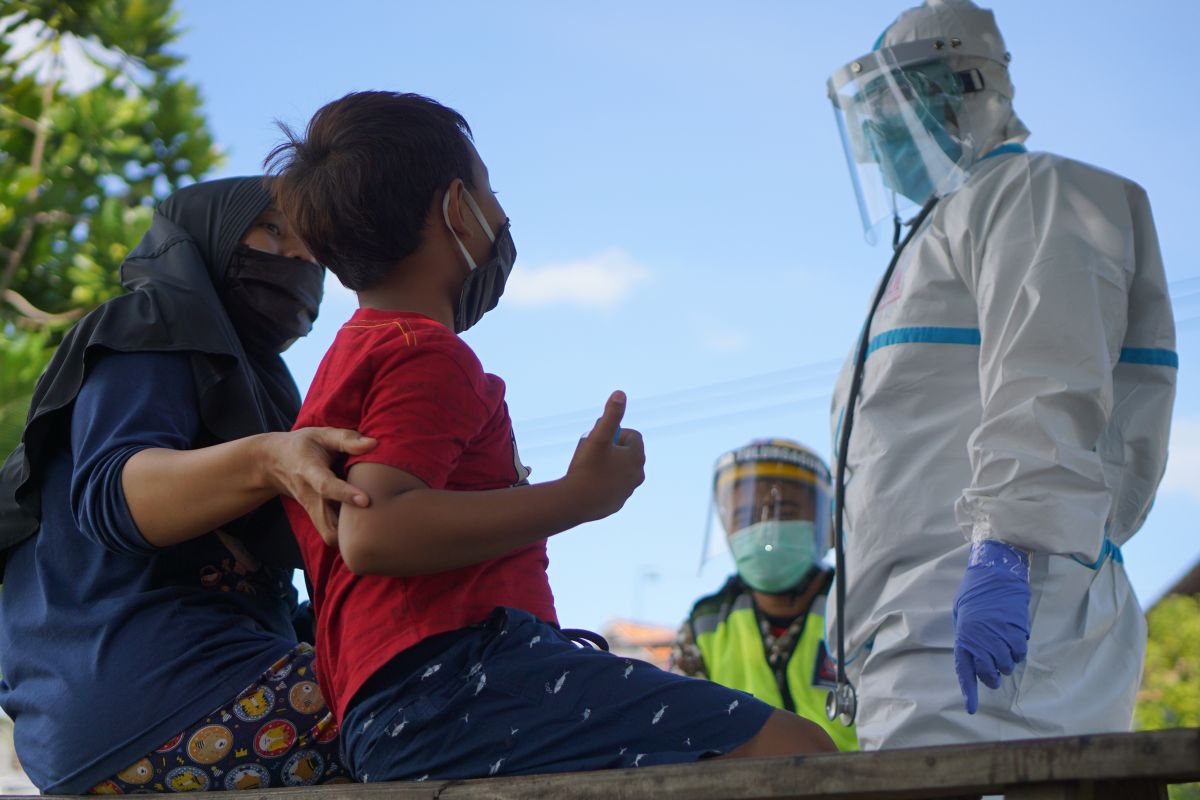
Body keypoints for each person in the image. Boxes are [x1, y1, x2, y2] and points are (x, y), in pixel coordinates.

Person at [269, 90, 837, 784]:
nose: (502, 215)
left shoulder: (349, 358)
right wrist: (579, 497)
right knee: (795, 749)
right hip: (454, 687)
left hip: (395, 704)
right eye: (491, 191)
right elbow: (374, 530)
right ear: (456, 208)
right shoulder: (426, 354)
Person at [823, 0, 1176, 749]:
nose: (876, 138)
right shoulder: (935, 237)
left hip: (1007, 608)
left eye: (889, 103)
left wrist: (1004, 551)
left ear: (961, 87)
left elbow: (1046, 381)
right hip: (910, 632)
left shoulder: (1033, 196)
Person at [0, 177, 376, 793]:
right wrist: (267, 460)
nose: (299, 258)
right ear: (209, 236)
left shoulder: (260, 386)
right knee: (436, 696)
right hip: (150, 702)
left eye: (313, 249)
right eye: (273, 231)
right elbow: (116, 496)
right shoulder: (151, 326)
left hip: (163, 706)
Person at [670, 439, 858, 752]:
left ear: (828, 526)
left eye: (785, 510)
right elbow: (679, 731)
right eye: (745, 515)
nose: (765, 526)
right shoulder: (705, 625)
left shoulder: (860, 604)